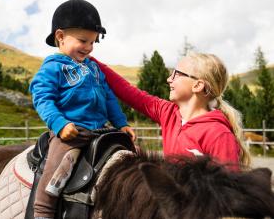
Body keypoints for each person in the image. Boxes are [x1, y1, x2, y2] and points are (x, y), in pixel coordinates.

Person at [29, 0, 136, 219]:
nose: (89, 48)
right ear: (60, 36)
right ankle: (42, 211)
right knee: (52, 181)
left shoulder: (94, 68)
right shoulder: (52, 68)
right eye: (83, 40)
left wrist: (121, 124)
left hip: (101, 131)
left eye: (93, 42)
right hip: (71, 133)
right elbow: (42, 99)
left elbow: (109, 99)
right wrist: (60, 124)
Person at [91, 52, 251, 169]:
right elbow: (128, 92)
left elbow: (226, 195)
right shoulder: (168, 113)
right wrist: (90, 61)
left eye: (176, 74)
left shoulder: (218, 135)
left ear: (198, 85)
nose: (169, 79)